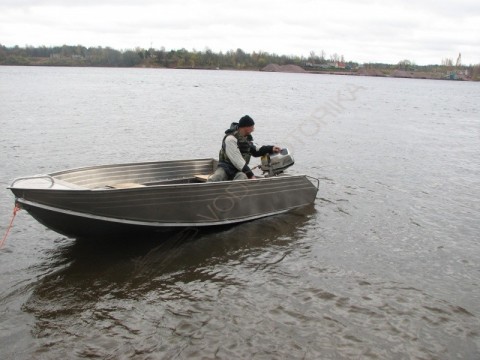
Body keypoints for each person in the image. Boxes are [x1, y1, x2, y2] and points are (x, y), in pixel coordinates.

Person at [208, 115, 281, 181]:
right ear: (246, 127)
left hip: (238, 171)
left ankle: (234, 195)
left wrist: (271, 148)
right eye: (252, 127)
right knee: (217, 177)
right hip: (225, 168)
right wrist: (251, 175)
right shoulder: (230, 139)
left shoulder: (246, 139)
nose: (253, 129)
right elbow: (238, 161)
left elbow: (256, 151)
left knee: (242, 178)